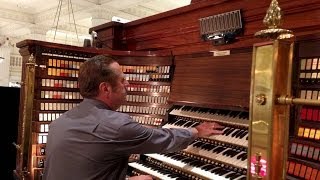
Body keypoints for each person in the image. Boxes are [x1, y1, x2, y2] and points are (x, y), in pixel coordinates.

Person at [43, 55, 223, 180]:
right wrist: (196, 131)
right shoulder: (116, 125)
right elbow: (162, 139)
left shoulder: (60, 123)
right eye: (122, 80)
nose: (128, 84)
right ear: (105, 88)